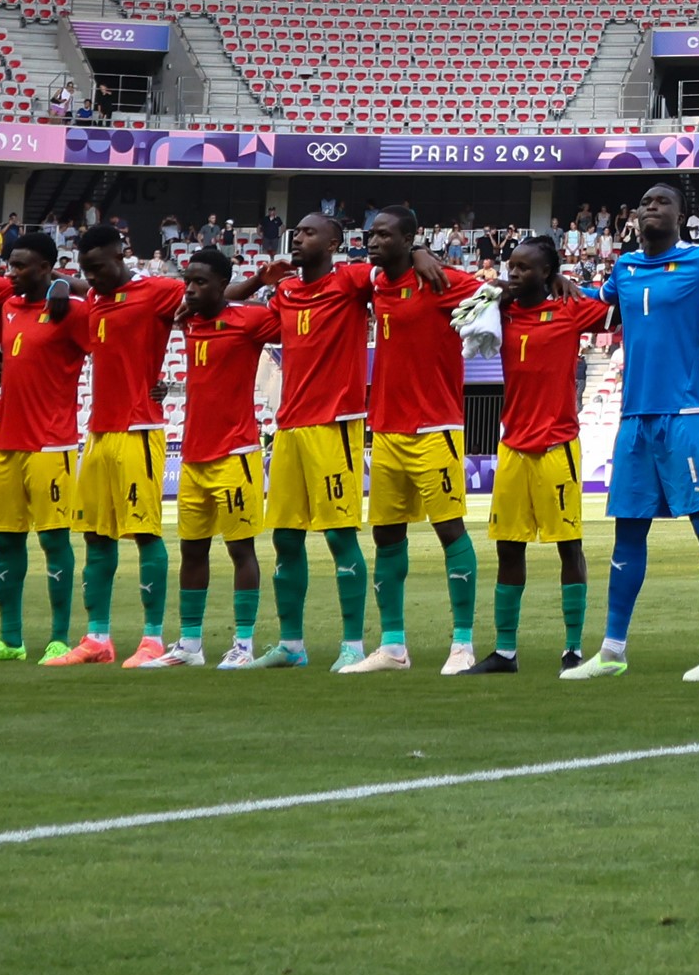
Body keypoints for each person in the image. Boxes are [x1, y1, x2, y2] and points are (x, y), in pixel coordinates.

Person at [590, 191, 699, 683]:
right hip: (634, 418)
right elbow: (587, 309)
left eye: (661, 202)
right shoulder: (624, 268)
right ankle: (613, 650)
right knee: (628, 530)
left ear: (683, 217)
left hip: (688, 413)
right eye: (642, 202)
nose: (649, 207)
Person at [251, 211, 380, 672]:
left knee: (340, 535)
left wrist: (420, 253)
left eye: (309, 233)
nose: (299, 238)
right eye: (297, 231)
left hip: (335, 425)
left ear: (333, 243)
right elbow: (228, 307)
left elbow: (396, 264)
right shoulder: (284, 292)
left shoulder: (352, 281)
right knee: (285, 537)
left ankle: (353, 645)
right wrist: (255, 281)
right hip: (288, 428)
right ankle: (292, 644)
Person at [473, 235, 608, 677]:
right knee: (508, 549)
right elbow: (456, 297)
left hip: (557, 447)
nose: (513, 274)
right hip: (512, 447)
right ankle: (505, 653)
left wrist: (575, 285)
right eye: (511, 266)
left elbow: (619, 304)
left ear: (546, 274)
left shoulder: (570, 311)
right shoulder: (497, 311)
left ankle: (572, 649)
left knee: (568, 546)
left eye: (524, 268)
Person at [354, 211, 483, 667]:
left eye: (384, 234)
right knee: (386, 536)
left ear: (408, 239)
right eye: (371, 233)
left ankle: (463, 644)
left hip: (435, 427)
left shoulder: (440, 281)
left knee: (449, 530)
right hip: (386, 429)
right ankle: (392, 646)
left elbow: (496, 294)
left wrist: (428, 258)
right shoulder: (371, 281)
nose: (373, 240)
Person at [53, 226, 185, 664]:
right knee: (94, 535)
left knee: (144, 532)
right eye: (86, 270)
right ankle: (97, 639)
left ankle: (152, 638)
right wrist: (59, 282)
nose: (91, 277)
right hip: (98, 432)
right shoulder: (93, 298)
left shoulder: (158, 291)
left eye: (99, 267)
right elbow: (68, 284)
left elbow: (212, 295)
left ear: (121, 255)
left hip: (139, 430)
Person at [161, 241, 282, 668]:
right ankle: (190, 645)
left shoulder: (249, 321)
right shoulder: (189, 320)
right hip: (192, 457)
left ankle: (244, 644)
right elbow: (207, 298)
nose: (189, 290)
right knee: (192, 551)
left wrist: (261, 284)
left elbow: (288, 325)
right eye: (187, 281)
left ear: (222, 285)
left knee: (240, 550)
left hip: (236, 453)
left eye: (199, 282)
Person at [0, 230, 89, 663]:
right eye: (9, 265)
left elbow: (114, 336)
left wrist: (63, 283)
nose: (11, 273)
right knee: (6, 542)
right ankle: (11, 639)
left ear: (46, 267)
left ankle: (60, 636)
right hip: (6, 442)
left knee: (54, 541)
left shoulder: (72, 310)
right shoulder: (7, 306)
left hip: (51, 443)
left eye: (21, 266)